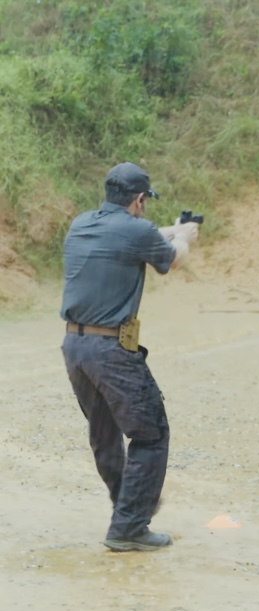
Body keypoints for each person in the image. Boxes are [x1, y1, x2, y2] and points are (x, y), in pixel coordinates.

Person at [60, 162, 199, 552]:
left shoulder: (82, 224)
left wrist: (171, 229)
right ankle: (129, 527)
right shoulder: (136, 230)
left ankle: (128, 512)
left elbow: (139, 236)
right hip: (111, 350)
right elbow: (169, 259)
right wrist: (184, 236)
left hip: (74, 347)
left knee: (104, 434)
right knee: (150, 434)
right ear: (139, 199)